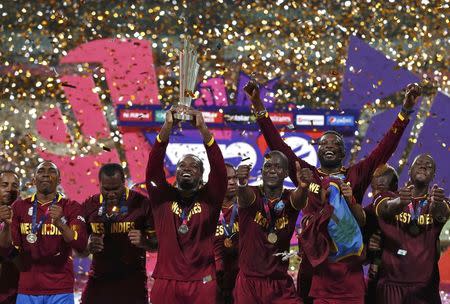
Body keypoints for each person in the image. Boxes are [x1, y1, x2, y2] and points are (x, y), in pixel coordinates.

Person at [243, 81, 422, 303]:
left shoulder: (356, 174)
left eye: (335, 144)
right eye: (324, 144)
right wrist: (258, 105)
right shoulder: (305, 173)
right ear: (318, 151)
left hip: (345, 263)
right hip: (312, 261)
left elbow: (385, 148)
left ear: (343, 152)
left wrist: (404, 112)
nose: (328, 146)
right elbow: (277, 143)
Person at [146, 106, 227, 304]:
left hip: (202, 280)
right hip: (167, 280)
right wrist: (167, 126)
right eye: (182, 165)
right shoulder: (162, 197)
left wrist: (203, 130)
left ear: (201, 175)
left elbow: (219, 171)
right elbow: (154, 165)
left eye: (194, 166)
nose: (187, 168)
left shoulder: (210, 198)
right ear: (177, 171)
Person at [234, 152, 312, 304]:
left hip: (279, 283)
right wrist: (242, 183)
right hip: (249, 283)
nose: (272, 170)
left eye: (278, 167)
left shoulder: (290, 198)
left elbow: (299, 200)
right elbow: (244, 196)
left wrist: (303, 187)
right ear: (262, 171)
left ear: (286, 173)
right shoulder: (253, 195)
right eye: (268, 166)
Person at [372, 154, 449, 304]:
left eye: (429, 165)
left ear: (433, 175)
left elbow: (442, 213)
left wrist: (436, 205)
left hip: (425, 288)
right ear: (410, 170)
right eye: (419, 163)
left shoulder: (441, 200)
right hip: (391, 285)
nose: (423, 166)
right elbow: (385, 209)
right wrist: (400, 202)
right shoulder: (387, 196)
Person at [9, 161, 87, 304]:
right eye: (41, 171)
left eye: (51, 170)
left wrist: (60, 223)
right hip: (28, 289)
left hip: (61, 289)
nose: (45, 174)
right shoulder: (19, 207)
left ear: (59, 180)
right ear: (33, 180)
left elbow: (81, 245)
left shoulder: (72, 207)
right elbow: (12, 249)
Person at [80, 163, 156, 304]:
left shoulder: (142, 204)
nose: (111, 193)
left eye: (116, 188)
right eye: (106, 189)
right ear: (100, 184)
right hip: (98, 281)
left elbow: (157, 245)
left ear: (124, 182)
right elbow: (79, 251)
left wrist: (144, 242)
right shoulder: (90, 205)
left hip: (133, 283)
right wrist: (88, 247)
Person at [363, 164, 399, 304]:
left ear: (395, 187)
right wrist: (368, 247)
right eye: (375, 189)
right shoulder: (368, 213)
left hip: (403, 280)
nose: (378, 195)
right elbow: (362, 257)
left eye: (382, 189)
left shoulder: (408, 211)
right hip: (377, 282)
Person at [214, 163, 239, 304]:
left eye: (234, 178)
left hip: (240, 280)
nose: (232, 182)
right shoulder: (207, 210)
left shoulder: (246, 207)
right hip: (214, 280)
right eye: (227, 178)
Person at [0, 170, 20, 304]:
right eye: (4, 185)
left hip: (16, 293)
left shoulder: (25, 216)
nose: (9, 189)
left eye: (14, 185)